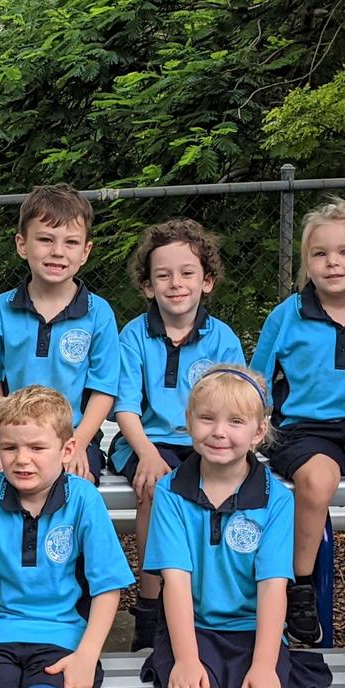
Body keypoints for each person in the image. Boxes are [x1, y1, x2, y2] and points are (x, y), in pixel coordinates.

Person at [139, 366, 331, 688]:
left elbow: (273, 587)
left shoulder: (276, 499)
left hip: (254, 633)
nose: (219, 432)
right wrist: (185, 660)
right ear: (188, 421)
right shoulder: (170, 492)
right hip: (190, 631)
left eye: (235, 422)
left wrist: (263, 666)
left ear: (258, 432)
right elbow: (176, 581)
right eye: (207, 418)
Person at [250, 198, 345, 646]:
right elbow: (257, 378)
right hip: (302, 428)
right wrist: (251, 426)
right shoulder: (288, 315)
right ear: (306, 263)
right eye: (320, 254)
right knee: (318, 479)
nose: (333, 262)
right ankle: (300, 588)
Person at [0, 385, 134, 688]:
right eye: (9, 447)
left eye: (37, 447)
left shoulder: (83, 500)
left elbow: (108, 586)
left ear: (67, 450)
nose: (22, 459)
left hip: (61, 636)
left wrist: (87, 657)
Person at [111, 219, 245, 651]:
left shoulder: (221, 337)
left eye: (187, 273)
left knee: (223, 492)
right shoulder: (133, 335)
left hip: (205, 440)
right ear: (148, 286)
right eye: (163, 275)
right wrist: (147, 454)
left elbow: (235, 400)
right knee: (156, 487)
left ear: (206, 282)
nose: (175, 283)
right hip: (144, 440)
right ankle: (150, 609)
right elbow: (126, 407)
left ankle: (210, 606)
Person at [0, 184, 120, 482]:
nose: (57, 252)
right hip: (13, 433)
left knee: (77, 481)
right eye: (45, 239)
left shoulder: (98, 313)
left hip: (74, 434)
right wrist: (1, 437)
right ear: (22, 244)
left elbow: (104, 389)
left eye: (71, 242)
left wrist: (78, 442)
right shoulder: (2, 308)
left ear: (85, 252)